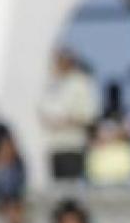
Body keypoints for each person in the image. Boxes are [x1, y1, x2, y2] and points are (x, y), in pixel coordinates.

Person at [39, 48, 101, 182]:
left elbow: (89, 115)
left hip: (72, 146)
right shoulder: (52, 83)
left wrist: (67, 121)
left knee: (70, 189)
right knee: (57, 189)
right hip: (54, 146)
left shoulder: (81, 83)